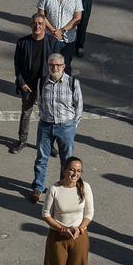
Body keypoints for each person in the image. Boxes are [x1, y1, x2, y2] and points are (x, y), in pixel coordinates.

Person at [40, 157, 93, 265]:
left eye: (78, 171)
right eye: (72, 169)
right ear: (64, 169)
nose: (75, 173)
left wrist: (80, 228)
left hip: (79, 236)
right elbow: (45, 214)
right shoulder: (55, 189)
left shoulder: (85, 187)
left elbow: (89, 213)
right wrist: (62, 229)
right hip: (58, 237)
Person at [30, 53, 83, 203]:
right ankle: (38, 188)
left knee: (66, 161)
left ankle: (62, 189)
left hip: (66, 127)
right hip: (45, 125)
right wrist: (44, 117)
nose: (54, 68)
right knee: (41, 158)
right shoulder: (42, 82)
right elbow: (40, 102)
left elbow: (79, 107)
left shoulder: (73, 83)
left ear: (63, 67)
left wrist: (72, 126)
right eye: (51, 65)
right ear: (48, 66)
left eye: (58, 65)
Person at [10, 13, 56, 154]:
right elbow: (17, 64)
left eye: (40, 24)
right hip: (28, 86)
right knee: (26, 113)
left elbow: (57, 65)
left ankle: (49, 144)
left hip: (46, 85)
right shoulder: (22, 42)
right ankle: (22, 141)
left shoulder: (52, 42)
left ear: (44, 27)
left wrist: (52, 83)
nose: (37, 26)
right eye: (35, 23)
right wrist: (21, 82)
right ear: (31, 25)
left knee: (50, 116)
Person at [36, 0, 83, 74]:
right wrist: (53, 30)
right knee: (48, 66)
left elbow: (77, 18)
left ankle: (65, 89)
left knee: (65, 67)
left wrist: (62, 31)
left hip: (68, 39)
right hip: (49, 38)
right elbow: (41, 16)